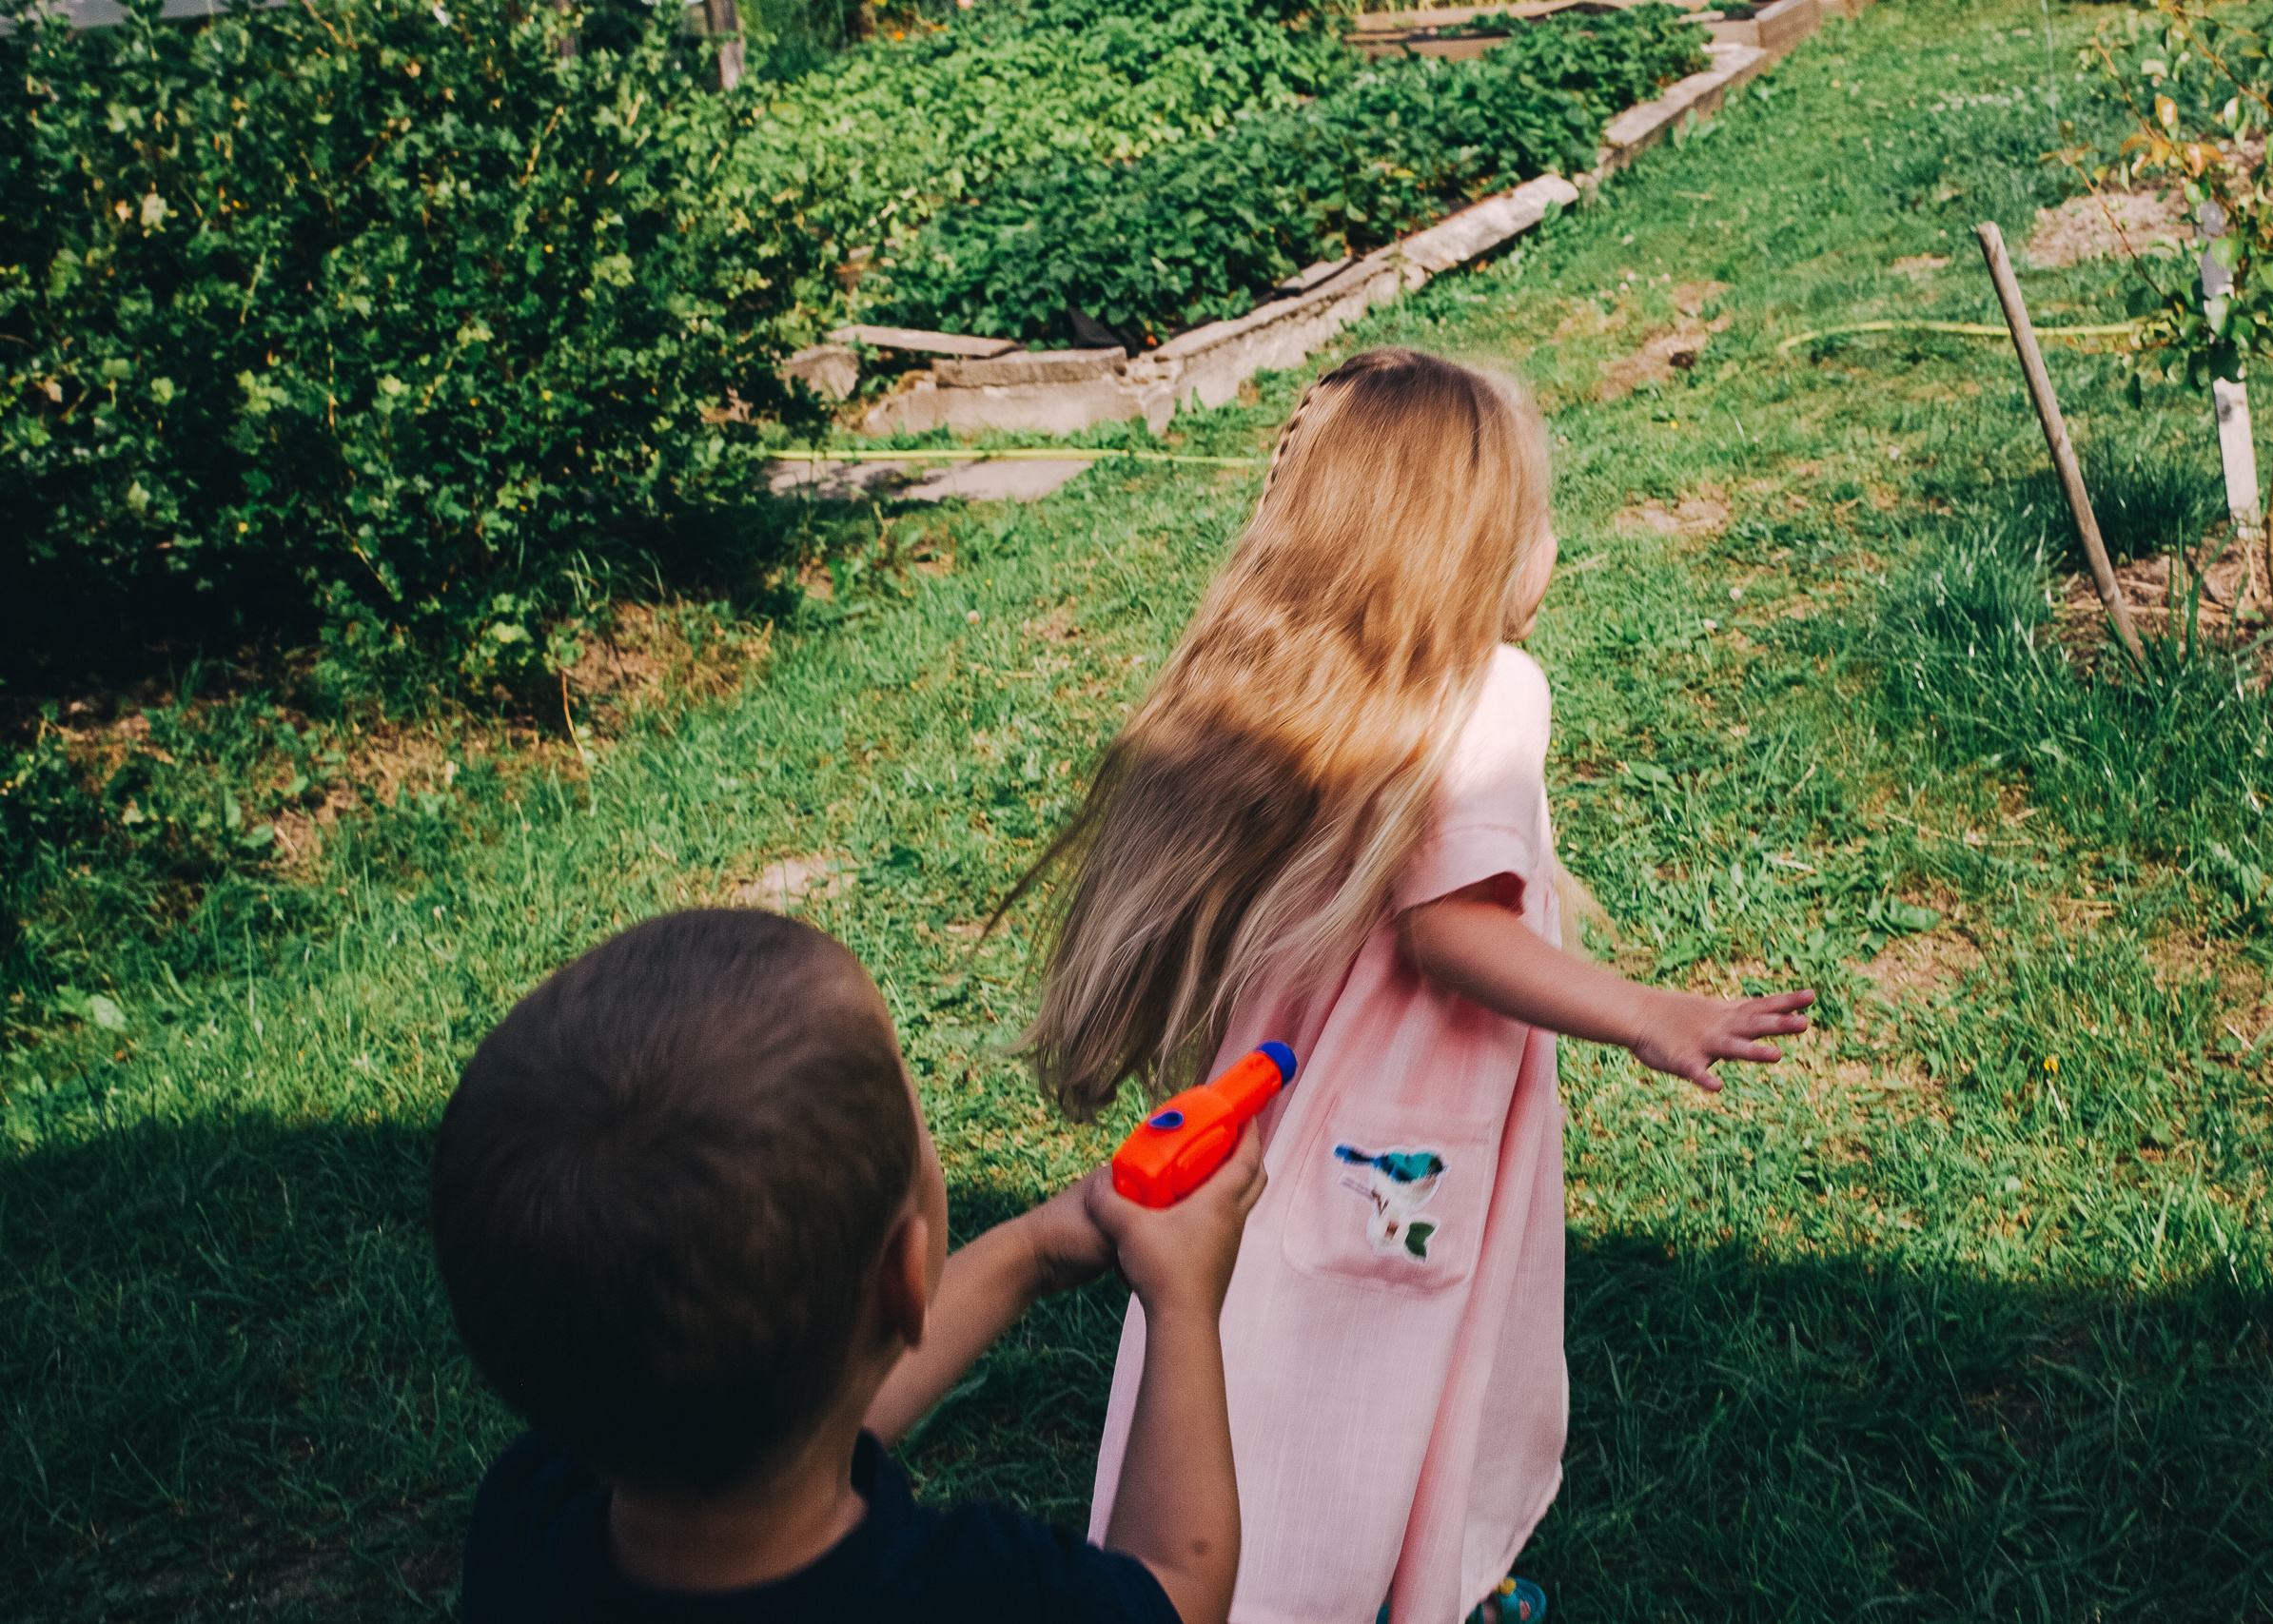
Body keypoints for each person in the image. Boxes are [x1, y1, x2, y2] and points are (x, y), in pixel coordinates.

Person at [1008, 348, 1815, 1624]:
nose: (1551, 543)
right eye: (1532, 518)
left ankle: (1274, 1582)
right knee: (1394, 1383)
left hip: (1270, 1158)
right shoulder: (1490, 692)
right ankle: (1413, 1584)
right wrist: (1648, 1010)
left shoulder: (1305, 683)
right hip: (1397, 1157)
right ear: (1470, 542)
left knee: (1255, 1379)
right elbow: (1450, 931)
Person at [429, 908, 1266, 1623]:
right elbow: (1178, 1584)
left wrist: (1034, 1248)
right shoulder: (979, 1593)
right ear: (906, 1276)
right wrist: (1183, 1298)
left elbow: (797, 1406)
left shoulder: (527, 1520)